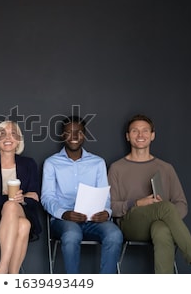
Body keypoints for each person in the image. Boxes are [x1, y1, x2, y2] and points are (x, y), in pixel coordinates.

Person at [108, 114, 191, 273]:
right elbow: (110, 207)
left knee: (162, 229)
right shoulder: (117, 168)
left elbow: (182, 204)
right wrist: (137, 203)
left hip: (160, 223)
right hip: (131, 224)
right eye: (135, 131)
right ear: (128, 136)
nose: (140, 135)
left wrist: (165, 214)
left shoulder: (166, 168)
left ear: (152, 135)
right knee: (165, 208)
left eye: (145, 131)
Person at [41, 115, 122, 274]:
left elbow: (105, 196)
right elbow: (47, 197)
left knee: (114, 235)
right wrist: (64, 214)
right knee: (71, 235)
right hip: (63, 220)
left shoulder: (97, 162)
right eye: (69, 132)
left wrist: (106, 212)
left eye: (78, 132)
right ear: (63, 135)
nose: (74, 137)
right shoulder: (51, 163)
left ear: (84, 135)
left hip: (94, 219)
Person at [0, 120, 41, 274]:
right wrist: (14, 198)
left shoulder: (29, 164)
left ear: (18, 140)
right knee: (24, 225)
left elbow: (35, 199)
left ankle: (1, 269)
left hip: (20, 211)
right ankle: (12, 275)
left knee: (12, 207)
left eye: (13, 133)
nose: (8, 137)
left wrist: (22, 199)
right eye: (2, 134)